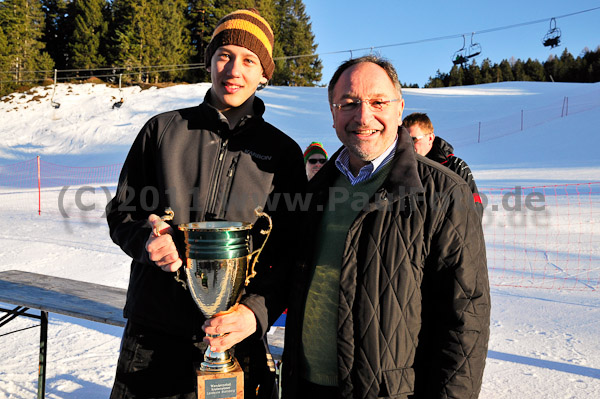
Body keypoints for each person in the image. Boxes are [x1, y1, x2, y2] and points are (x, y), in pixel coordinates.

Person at [105, 8, 306, 399]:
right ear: (210, 61)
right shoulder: (163, 130)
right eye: (224, 55)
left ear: (264, 73)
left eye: (249, 60)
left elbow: (289, 253)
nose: (234, 70)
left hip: (234, 339)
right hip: (153, 333)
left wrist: (255, 313)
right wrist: (146, 242)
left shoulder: (282, 153)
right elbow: (123, 212)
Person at [277, 56, 491, 398]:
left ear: (399, 108)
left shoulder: (445, 191)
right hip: (306, 386)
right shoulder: (316, 190)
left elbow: (465, 319)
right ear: (333, 114)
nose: (364, 116)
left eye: (378, 102)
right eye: (348, 103)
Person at [403, 112, 483, 218]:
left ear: (430, 138)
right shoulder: (398, 168)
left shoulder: (456, 167)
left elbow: (474, 209)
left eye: (414, 139)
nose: (409, 144)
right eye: (405, 140)